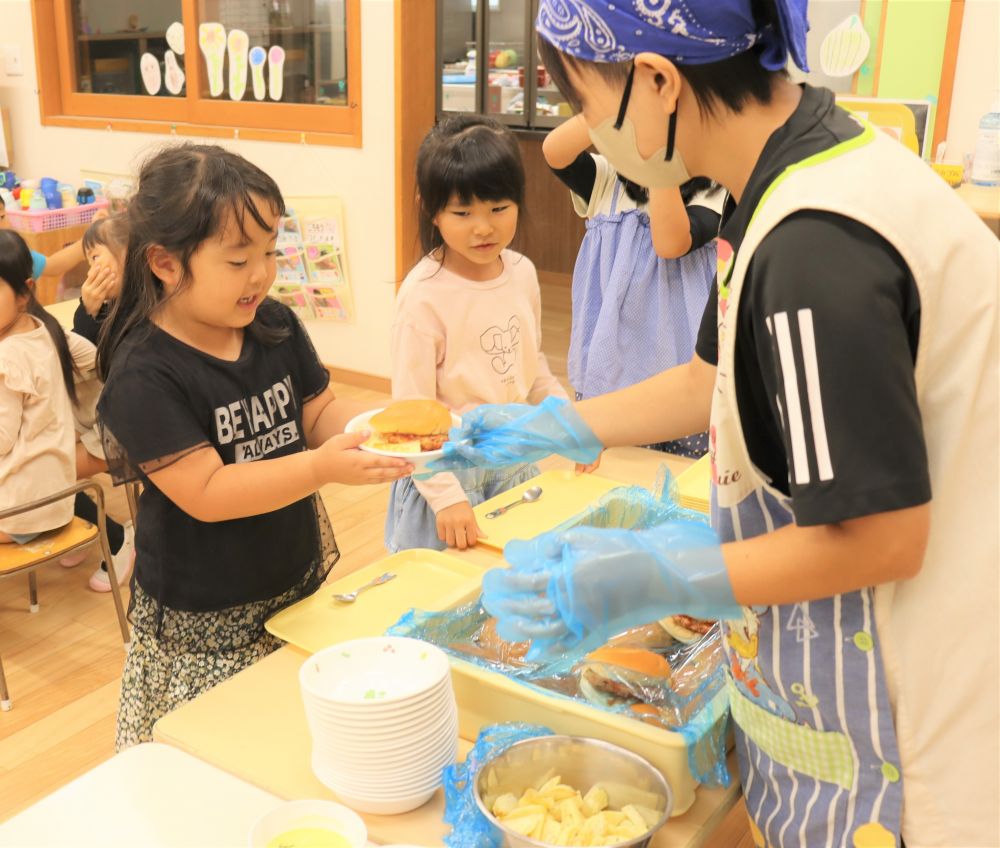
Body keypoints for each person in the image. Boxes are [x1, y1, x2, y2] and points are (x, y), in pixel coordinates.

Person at [425, 0, 1000, 845]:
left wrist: (652, 574)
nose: (586, 128)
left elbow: (882, 539)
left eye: (586, 101)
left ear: (656, 81)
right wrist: (560, 425)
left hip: (913, 740)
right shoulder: (792, 174)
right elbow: (712, 376)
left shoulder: (816, 247)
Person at [95, 144, 413, 749]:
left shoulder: (272, 325)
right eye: (239, 260)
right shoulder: (145, 372)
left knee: (293, 740)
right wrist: (323, 467)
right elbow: (209, 493)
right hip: (205, 615)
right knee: (215, 757)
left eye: (270, 253)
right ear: (164, 262)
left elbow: (318, 411)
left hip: (289, 576)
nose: (262, 274)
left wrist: (382, 425)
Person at [386, 115, 567, 553]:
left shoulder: (521, 273)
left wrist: (571, 421)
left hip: (511, 466)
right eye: (463, 213)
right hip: (444, 480)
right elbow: (409, 417)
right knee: (441, 606)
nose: (483, 227)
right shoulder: (423, 297)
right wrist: (447, 498)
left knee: (506, 592)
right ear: (431, 209)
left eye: (498, 209)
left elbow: (531, 362)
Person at [542, 114, 723, 457]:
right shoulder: (608, 179)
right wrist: (616, 105)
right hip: (612, 364)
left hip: (683, 374)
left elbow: (670, 243)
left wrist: (656, 158)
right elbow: (555, 150)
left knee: (679, 476)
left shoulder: (716, 190)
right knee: (612, 469)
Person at [58, 213, 136, 592]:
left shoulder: (145, 309)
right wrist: (87, 310)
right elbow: (79, 361)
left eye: (97, 258)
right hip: (95, 414)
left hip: (126, 424)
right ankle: (76, 523)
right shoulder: (101, 305)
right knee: (36, 445)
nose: (92, 269)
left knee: (45, 467)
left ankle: (118, 537)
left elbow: (104, 366)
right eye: (88, 261)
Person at [0, 230, 86, 545]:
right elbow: (93, 357)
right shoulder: (43, 329)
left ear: (25, 293)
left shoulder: (8, 355)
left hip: (20, 511)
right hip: (58, 499)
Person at [0, 194, 95, 285]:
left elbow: (54, 265)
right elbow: (54, 266)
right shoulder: (14, 256)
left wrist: (90, 238)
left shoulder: (17, 254)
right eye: (2, 216)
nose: (8, 222)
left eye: (3, 216)